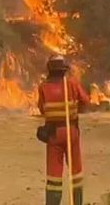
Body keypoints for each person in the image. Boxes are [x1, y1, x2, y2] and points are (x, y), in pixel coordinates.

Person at [37, 54, 90, 205]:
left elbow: (42, 109)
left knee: (54, 174)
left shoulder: (43, 87)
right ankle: (77, 201)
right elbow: (86, 101)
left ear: (50, 70)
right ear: (63, 70)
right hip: (72, 132)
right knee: (76, 172)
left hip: (53, 135)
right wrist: (75, 109)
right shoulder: (72, 84)